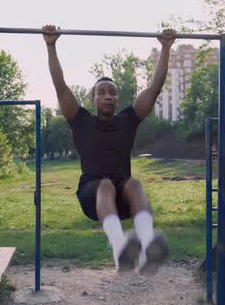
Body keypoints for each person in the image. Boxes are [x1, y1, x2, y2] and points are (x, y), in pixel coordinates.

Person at [42, 25, 176, 275]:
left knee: (134, 184)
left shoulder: (128, 119)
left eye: (112, 93)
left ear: (117, 99)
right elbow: (60, 86)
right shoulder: (80, 120)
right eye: (101, 93)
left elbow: (154, 87)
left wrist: (165, 48)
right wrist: (51, 46)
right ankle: (120, 248)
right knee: (105, 184)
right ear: (93, 99)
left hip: (123, 198)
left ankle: (148, 249)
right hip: (92, 195)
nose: (108, 96)